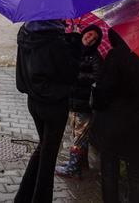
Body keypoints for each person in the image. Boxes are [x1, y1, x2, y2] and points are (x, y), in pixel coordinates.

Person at [90, 29, 139, 203]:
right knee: (136, 174)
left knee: (110, 172)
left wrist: (96, 96)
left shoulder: (116, 55)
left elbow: (104, 92)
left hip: (114, 124)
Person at [14, 19, 81, 203]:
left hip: (34, 101)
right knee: (48, 157)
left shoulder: (24, 34)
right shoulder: (56, 42)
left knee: (43, 148)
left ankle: (23, 197)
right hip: (54, 105)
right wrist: (75, 43)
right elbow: (70, 74)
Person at [55, 24, 103, 178]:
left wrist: (78, 76)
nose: (90, 39)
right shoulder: (74, 50)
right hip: (72, 100)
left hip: (84, 104)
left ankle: (73, 168)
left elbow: (97, 77)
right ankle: (75, 164)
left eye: (94, 39)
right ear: (83, 33)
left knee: (79, 136)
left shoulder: (95, 57)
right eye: (89, 35)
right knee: (75, 133)